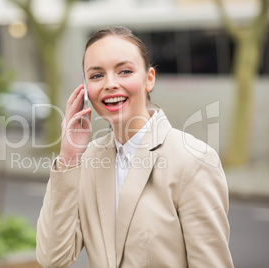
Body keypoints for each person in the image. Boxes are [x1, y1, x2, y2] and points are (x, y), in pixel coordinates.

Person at [36, 26, 234, 268]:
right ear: (86, 87)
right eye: (96, 75)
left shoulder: (193, 160)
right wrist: (68, 158)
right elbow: (52, 259)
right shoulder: (86, 161)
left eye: (125, 71)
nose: (110, 84)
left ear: (149, 78)